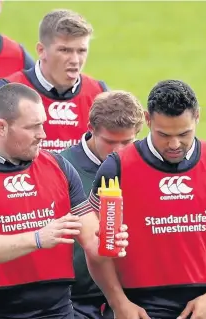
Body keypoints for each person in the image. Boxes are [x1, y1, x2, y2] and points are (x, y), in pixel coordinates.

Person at [0, 82, 129, 319]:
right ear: (1, 127)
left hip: (58, 310)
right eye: (33, 127)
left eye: (43, 125)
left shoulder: (58, 167)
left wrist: (110, 240)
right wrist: (37, 238)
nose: (43, 135)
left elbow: (92, 241)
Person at [89, 80, 206, 319]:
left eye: (184, 133)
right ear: (147, 120)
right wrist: (119, 303)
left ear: (197, 117)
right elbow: (96, 248)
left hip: (204, 306)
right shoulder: (116, 169)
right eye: (164, 135)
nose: (174, 144)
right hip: (137, 309)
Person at [59, 90, 144, 319]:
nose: (117, 152)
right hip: (74, 299)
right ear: (91, 128)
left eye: (126, 142)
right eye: (109, 141)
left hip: (133, 297)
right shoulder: (60, 168)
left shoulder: (147, 167)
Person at [0, 9, 108, 153]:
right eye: (64, 50)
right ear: (41, 50)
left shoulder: (98, 94)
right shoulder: (7, 91)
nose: (75, 60)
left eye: (81, 51)